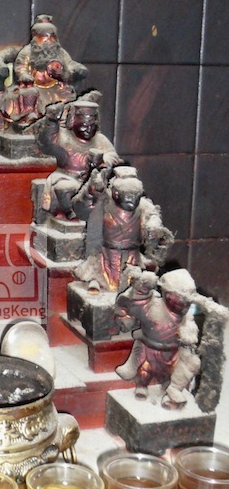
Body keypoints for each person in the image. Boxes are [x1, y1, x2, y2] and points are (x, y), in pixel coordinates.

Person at [72, 167, 174, 292]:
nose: (132, 200)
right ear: (115, 193)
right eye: (127, 195)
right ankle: (97, 281)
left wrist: (153, 225)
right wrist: (90, 191)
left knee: (133, 279)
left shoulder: (143, 205)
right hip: (106, 254)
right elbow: (81, 210)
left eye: (136, 195)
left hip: (133, 254)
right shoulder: (105, 202)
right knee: (105, 277)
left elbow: (153, 215)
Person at [114, 268, 201, 409]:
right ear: (168, 295)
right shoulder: (152, 307)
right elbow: (135, 303)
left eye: (188, 301)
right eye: (181, 299)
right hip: (149, 349)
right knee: (145, 369)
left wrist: (188, 336)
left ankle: (174, 389)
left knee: (191, 363)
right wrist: (141, 289)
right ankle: (142, 384)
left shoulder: (186, 319)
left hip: (173, 354)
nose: (185, 304)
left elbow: (190, 337)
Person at [37, 99, 121, 219]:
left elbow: (113, 155)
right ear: (73, 122)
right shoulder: (64, 137)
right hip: (66, 177)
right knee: (64, 188)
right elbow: (47, 143)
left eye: (92, 126)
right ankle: (71, 213)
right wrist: (52, 122)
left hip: (94, 180)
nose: (88, 130)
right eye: (84, 126)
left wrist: (103, 160)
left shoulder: (100, 139)